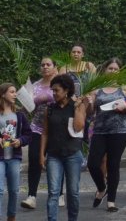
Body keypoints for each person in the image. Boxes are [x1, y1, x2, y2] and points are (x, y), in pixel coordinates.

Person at [86, 58, 126, 212]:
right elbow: (90, 112)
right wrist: (89, 102)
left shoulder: (125, 89)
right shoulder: (97, 89)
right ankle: (102, 188)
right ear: (105, 70)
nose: (113, 71)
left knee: (113, 165)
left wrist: (125, 105)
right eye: (110, 68)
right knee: (93, 164)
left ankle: (111, 201)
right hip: (100, 131)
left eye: (116, 69)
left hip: (120, 131)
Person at [41, 74, 88, 221]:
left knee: (73, 192)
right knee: (53, 192)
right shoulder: (49, 109)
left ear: (66, 90)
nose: (54, 93)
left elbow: (79, 127)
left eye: (57, 90)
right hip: (53, 155)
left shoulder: (77, 106)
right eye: (52, 90)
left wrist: (77, 107)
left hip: (73, 154)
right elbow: (45, 133)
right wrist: (41, 154)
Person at [22, 56, 58, 210]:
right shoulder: (34, 86)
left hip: (57, 129)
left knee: (56, 161)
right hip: (37, 127)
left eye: (48, 64)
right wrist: (26, 102)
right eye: (42, 65)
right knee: (34, 160)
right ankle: (31, 196)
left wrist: (48, 98)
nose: (45, 67)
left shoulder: (61, 84)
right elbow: (28, 108)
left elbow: (68, 102)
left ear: (54, 67)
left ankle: (58, 194)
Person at [0, 82, 32, 221]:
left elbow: (28, 134)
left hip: (14, 157)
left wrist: (20, 141)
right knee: (0, 190)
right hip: (0, 157)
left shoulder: (19, 115)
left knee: (14, 190)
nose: (15, 94)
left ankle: (11, 217)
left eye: (15, 92)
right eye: (12, 92)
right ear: (2, 94)